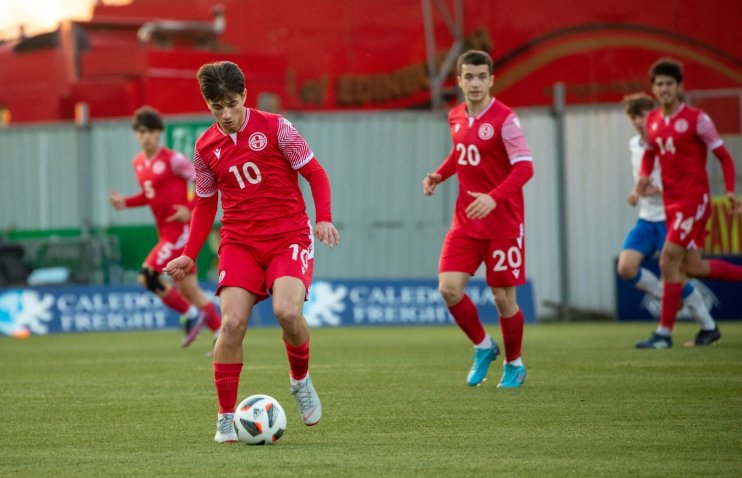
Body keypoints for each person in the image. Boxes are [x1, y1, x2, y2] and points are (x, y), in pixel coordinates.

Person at [164, 61, 339, 443]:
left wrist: (323, 218)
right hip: (240, 243)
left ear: (244, 95)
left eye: (231, 103)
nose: (225, 115)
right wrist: (190, 254)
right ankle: (226, 418)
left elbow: (316, 173)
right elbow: (206, 204)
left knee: (287, 312)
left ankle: (300, 381)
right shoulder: (204, 147)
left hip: (288, 236)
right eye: (216, 107)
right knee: (230, 326)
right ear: (207, 104)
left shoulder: (277, 127)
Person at [422, 50, 534, 388]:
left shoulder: (506, 120)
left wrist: (493, 197)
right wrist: (440, 176)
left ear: (491, 80)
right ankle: (483, 346)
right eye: (468, 77)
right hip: (466, 222)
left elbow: (525, 167)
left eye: (481, 77)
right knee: (448, 288)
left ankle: (514, 364)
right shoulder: (456, 115)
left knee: (503, 299)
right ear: (458, 80)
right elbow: (462, 153)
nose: (474, 83)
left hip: (503, 224)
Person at [633, 58, 742, 349]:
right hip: (672, 203)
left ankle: (664, 334)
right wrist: (644, 176)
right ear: (653, 89)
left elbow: (723, 156)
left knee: (667, 259)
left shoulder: (697, 119)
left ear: (680, 87)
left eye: (670, 84)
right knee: (692, 267)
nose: (665, 89)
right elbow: (649, 153)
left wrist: (730, 190)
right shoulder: (654, 120)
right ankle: (708, 328)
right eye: (660, 84)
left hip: (694, 201)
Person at [109, 106, 221, 347]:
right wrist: (125, 203)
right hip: (165, 232)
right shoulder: (138, 163)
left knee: (147, 276)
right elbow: (150, 196)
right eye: (140, 132)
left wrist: (190, 208)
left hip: (179, 232)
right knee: (191, 291)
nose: (145, 136)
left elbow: (201, 180)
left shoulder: (173, 159)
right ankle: (222, 336)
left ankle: (190, 315)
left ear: (159, 133)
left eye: (150, 131)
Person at [617, 93, 715, 333]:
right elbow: (642, 176)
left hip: (672, 216)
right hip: (646, 217)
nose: (639, 121)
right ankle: (667, 294)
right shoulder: (633, 144)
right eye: (633, 117)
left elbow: (680, 178)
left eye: (642, 115)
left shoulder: (667, 141)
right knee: (626, 268)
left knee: (680, 273)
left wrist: (658, 190)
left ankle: (707, 324)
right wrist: (636, 192)